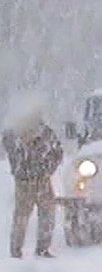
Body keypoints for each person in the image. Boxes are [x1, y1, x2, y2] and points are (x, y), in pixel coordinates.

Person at [3, 103, 63, 259]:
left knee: (46, 215)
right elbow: (9, 148)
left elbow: (58, 151)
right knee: (22, 217)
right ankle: (17, 251)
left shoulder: (44, 132)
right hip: (25, 180)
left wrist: (48, 168)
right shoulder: (13, 133)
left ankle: (41, 248)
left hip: (40, 179)